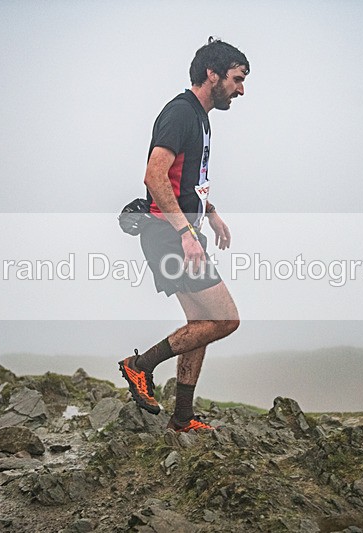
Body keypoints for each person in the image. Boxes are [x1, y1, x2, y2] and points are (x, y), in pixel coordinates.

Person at [119, 38, 249, 432]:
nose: (241, 90)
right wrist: (186, 233)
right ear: (212, 74)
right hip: (169, 234)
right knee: (226, 319)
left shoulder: (200, 116)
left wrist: (210, 213)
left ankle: (181, 417)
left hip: (180, 231)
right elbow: (154, 175)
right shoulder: (180, 113)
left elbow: (186, 179)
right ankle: (139, 366)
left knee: (201, 323)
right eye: (237, 79)